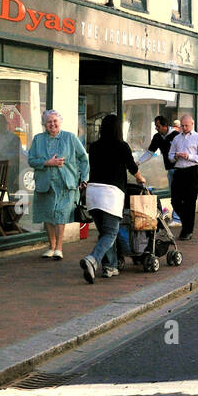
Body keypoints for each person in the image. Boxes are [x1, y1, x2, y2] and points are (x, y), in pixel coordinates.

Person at [81, 114, 146, 284]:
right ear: (118, 129)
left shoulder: (94, 146)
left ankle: (110, 266)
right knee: (111, 232)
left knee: (104, 233)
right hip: (110, 194)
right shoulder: (122, 146)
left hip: (93, 193)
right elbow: (132, 167)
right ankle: (92, 259)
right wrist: (141, 179)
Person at [27, 109, 89, 260]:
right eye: (49, 122)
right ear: (44, 124)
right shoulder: (38, 139)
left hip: (65, 183)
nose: (52, 124)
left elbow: (83, 158)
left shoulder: (70, 137)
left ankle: (59, 248)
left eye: (55, 121)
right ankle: (51, 246)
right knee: (48, 214)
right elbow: (31, 160)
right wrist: (47, 163)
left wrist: (84, 178)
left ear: (60, 122)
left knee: (61, 214)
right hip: (45, 183)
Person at [167, 113, 198, 241]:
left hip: (192, 171)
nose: (184, 128)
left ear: (192, 124)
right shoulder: (177, 139)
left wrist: (189, 156)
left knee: (190, 202)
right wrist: (176, 156)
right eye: (182, 126)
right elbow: (170, 156)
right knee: (175, 201)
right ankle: (187, 223)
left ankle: (187, 230)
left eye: (186, 125)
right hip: (179, 171)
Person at [139, 115, 179, 186]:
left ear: (165, 126)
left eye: (158, 126)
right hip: (170, 169)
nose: (156, 128)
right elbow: (150, 152)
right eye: (155, 126)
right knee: (173, 194)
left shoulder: (176, 135)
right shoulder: (157, 137)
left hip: (180, 170)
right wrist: (138, 162)